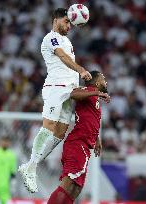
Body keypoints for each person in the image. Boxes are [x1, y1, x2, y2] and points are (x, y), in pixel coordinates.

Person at [18, 8, 92, 193]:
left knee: (59, 133)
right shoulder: (50, 38)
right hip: (55, 89)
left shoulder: (67, 40)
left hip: (69, 90)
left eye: (70, 23)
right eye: (66, 22)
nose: (69, 26)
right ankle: (31, 167)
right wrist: (81, 70)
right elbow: (62, 57)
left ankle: (30, 166)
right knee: (49, 126)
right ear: (56, 20)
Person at [47, 71, 110, 204]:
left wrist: (97, 138)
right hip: (77, 143)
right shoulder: (88, 91)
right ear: (97, 83)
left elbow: (90, 120)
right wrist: (96, 92)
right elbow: (73, 94)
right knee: (68, 183)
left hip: (85, 146)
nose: (106, 82)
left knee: (76, 189)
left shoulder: (93, 98)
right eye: (103, 79)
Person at [0, 136, 17, 204]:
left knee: (5, 202)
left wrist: (13, 183)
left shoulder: (11, 155)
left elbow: (13, 171)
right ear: (0, 142)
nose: (5, 143)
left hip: (5, 185)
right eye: (3, 141)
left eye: (7, 142)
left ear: (9, 143)